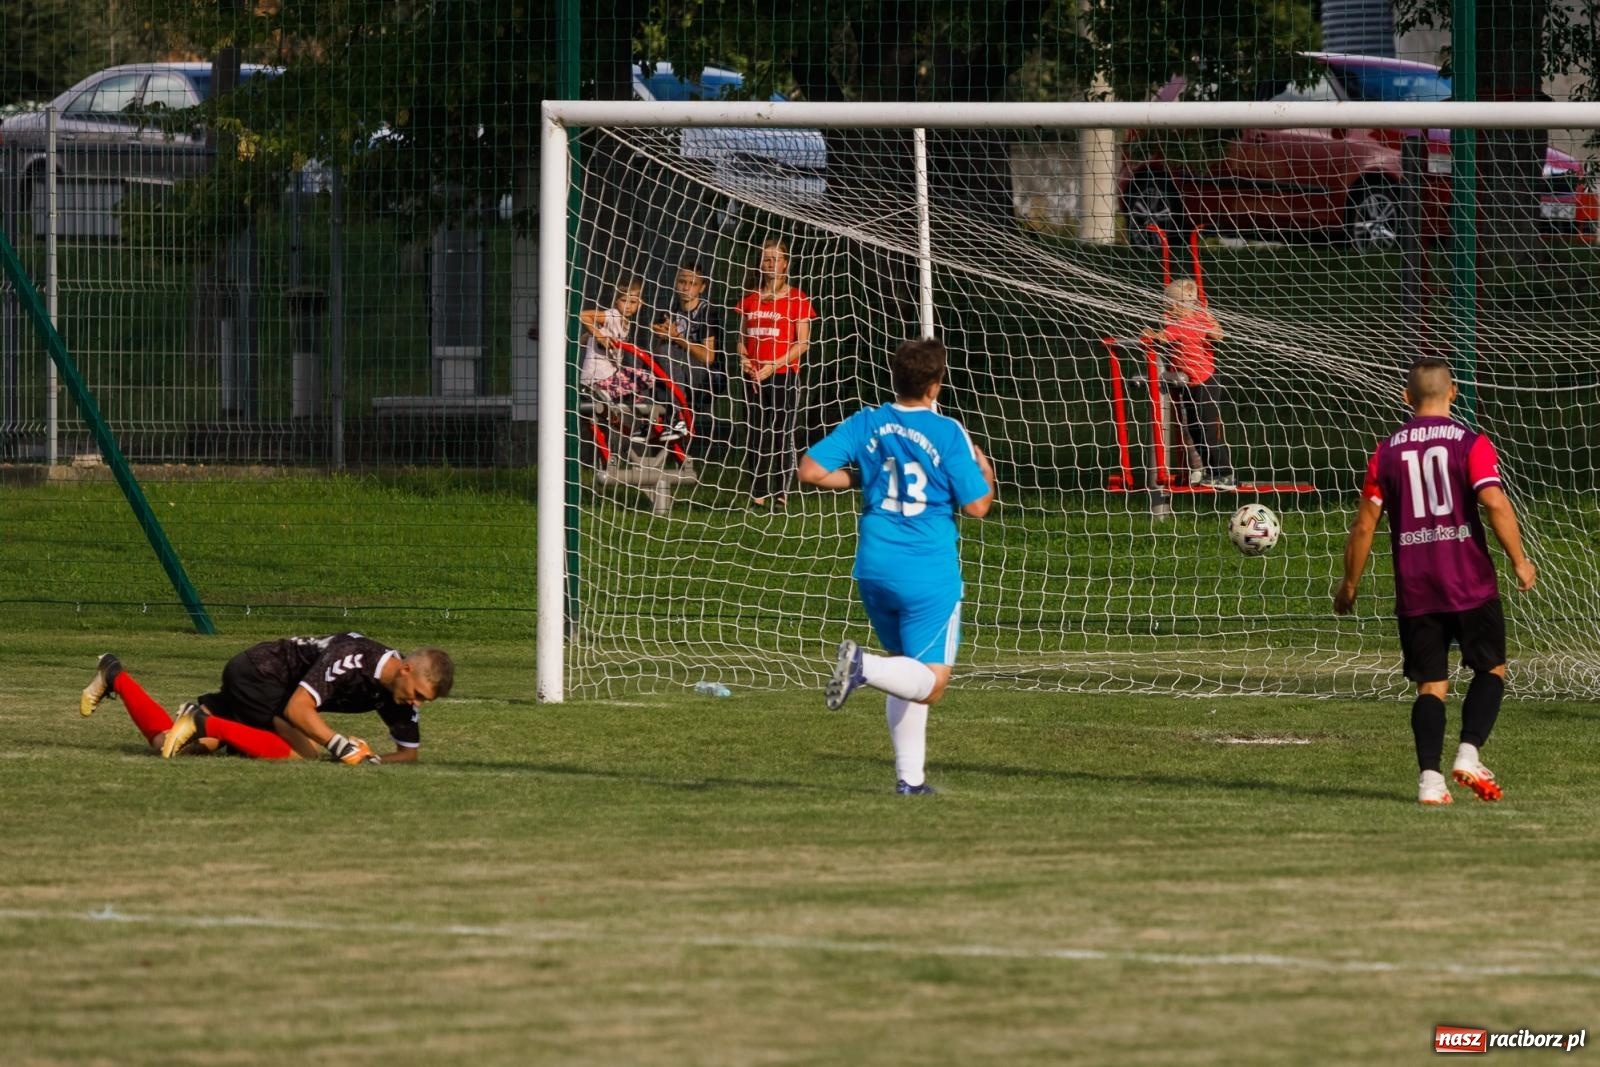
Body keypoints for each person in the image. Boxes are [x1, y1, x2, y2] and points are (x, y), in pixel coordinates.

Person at [798, 337, 996, 795]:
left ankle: (910, 779)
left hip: (874, 567)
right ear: (935, 385)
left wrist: (862, 479)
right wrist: (985, 473)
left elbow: (810, 471)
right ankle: (863, 666)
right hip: (927, 572)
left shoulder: (867, 421)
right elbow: (977, 507)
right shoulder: (948, 431)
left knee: (907, 670)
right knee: (931, 684)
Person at [1334, 358, 1536, 806]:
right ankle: (1467, 753)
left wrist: (1350, 584)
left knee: (1431, 686)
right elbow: (1494, 503)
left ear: (1406, 398)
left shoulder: (1386, 451)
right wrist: (1520, 560)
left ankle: (1430, 780)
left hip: (1417, 587)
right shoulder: (1470, 442)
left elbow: (1365, 524)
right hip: (1469, 581)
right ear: (1454, 392)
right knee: (1490, 669)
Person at [77, 634, 455, 764]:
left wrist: (374, 761)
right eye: (419, 695)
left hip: (275, 690)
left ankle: (115, 675)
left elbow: (408, 754)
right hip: (259, 674)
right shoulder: (355, 657)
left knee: (169, 747)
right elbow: (297, 709)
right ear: (406, 670)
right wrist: (340, 746)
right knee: (302, 754)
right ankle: (204, 721)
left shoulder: (398, 694)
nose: (416, 704)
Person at [738, 237, 816, 509]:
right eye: (766, 258)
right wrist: (744, 358)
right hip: (754, 376)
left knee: (782, 431)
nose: (770, 263)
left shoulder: (798, 298)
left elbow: (803, 343)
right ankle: (758, 492)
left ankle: (781, 492)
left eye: (775, 259)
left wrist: (775, 364)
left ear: (786, 264)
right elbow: (741, 337)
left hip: (783, 373)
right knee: (756, 431)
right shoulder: (750, 299)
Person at [1140, 277, 1234, 489]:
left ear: (1176, 306)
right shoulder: (1192, 318)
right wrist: (1210, 322)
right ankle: (1212, 472)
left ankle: (1224, 474)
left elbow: (1161, 338)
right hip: (1194, 384)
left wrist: (1149, 334)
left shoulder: (1184, 324)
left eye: (1169, 306)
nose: (1167, 311)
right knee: (1195, 430)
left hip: (1205, 384)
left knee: (1208, 431)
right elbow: (1216, 333)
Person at [580, 275, 686, 443]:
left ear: (640, 304)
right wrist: (600, 337)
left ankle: (645, 423)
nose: (628, 306)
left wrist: (592, 336)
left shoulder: (624, 322)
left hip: (604, 377)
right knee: (649, 378)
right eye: (624, 301)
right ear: (616, 301)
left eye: (633, 302)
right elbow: (584, 315)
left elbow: (584, 339)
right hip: (602, 378)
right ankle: (673, 419)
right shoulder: (612, 316)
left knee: (637, 382)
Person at [651, 259, 724, 450]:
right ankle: (644, 418)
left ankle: (678, 415)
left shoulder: (707, 312)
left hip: (707, 376)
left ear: (702, 287)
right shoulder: (670, 310)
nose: (685, 287)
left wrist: (676, 339)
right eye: (682, 281)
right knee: (649, 358)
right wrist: (661, 336)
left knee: (667, 350)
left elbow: (708, 357)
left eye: (692, 283)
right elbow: (660, 350)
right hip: (678, 370)